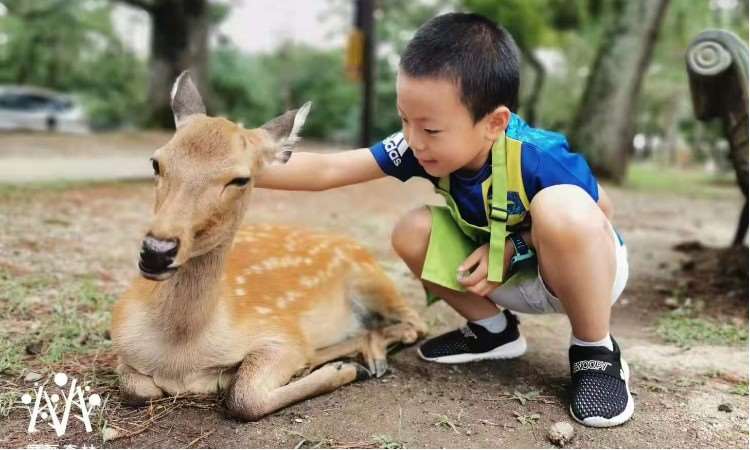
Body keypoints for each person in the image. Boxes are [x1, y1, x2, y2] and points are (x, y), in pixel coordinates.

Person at [255, 12, 632, 428]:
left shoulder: (537, 154)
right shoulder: (418, 147)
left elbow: (600, 213)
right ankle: (493, 332)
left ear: (494, 123)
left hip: (585, 273)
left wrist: (515, 246)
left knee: (562, 208)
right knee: (414, 231)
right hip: (499, 275)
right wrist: (236, 166)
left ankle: (595, 350)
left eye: (431, 129)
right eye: (404, 119)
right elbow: (328, 171)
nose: (414, 140)